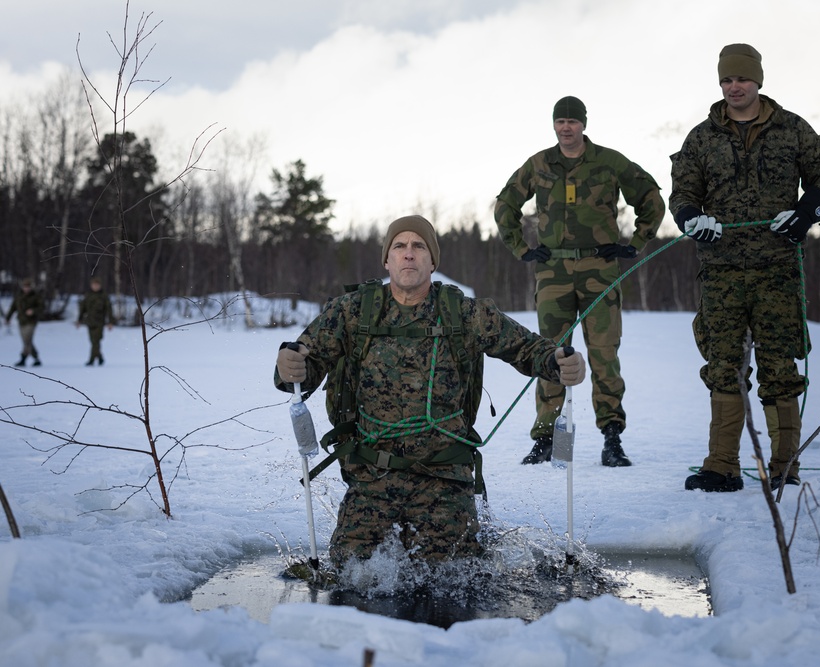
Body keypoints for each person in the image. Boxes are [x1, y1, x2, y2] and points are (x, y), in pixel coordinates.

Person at [274, 215, 586, 565]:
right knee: (351, 571)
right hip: (372, 477)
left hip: (445, 478)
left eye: (419, 246)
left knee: (459, 575)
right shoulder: (351, 312)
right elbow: (304, 365)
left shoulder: (465, 313)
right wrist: (290, 366)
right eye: (400, 246)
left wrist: (559, 361)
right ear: (387, 260)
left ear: (433, 261)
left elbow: (529, 349)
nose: (409, 254)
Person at [669, 44, 820, 492]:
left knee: (779, 368)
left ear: (758, 80)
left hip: (777, 271)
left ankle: (785, 466)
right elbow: (683, 194)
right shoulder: (702, 138)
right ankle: (722, 466)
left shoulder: (792, 130)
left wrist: (808, 212)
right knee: (723, 366)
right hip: (722, 273)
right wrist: (692, 220)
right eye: (727, 80)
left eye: (742, 79)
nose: (734, 87)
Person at [495, 96, 665, 467]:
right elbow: (505, 204)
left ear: (583, 124)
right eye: (560, 121)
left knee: (604, 353)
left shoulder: (609, 161)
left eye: (573, 121)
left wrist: (636, 243)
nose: (566, 128)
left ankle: (612, 439)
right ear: (554, 125)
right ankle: (550, 442)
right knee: (552, 353)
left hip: (599, 269)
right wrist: (522, 249)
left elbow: (651, 198)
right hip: (553, 271)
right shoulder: (539, 163)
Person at [5, 277, 44, 367]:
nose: (26, 288)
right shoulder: (19, 296)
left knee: (27, 340)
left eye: (28, 286)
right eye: (25, 286)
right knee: (26, 341)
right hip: (21, 321)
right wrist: (8, 318)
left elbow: (42, 307)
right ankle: (33, 358)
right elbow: (13, 307)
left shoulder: (36, 296)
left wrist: (33, 311)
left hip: (31, 321)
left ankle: (25, 358)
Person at [76, 276, 114, 366]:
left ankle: (91, 360)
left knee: (96, 341)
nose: (95, 287)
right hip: (90, 321)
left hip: (99, 322)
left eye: (97, 285)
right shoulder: (88, 295)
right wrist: (79, 320)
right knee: (93, 341)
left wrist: (110, 322)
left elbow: (109, 309)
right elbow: (83, 308)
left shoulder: (104, 296)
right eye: (94, 285)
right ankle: (100, 357)